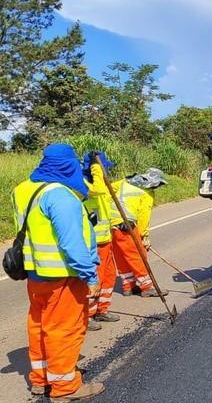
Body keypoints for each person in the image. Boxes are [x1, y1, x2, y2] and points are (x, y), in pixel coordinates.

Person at [12, 144, 105, 400]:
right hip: (64, 274)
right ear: (69, 165)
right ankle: (65, 387)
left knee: (40, 327)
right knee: (65, 329)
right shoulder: (61, 196)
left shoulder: (23, 190)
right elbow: (71, 242)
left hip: (35, 274)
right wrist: (90, 276)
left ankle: (41, 380)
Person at [110, 168, 167, 297]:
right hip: (127, 224)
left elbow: (108, 190)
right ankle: (146, 286)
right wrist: (144, 236)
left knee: (121, 256)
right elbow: (143, 216)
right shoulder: (147, 192)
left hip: (111, 223)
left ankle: (128, 286)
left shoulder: (125, 182)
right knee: (138, 255)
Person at [82, 151, 120, 331]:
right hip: (93, 243)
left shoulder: (103, 184)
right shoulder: (84, 184)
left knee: (109, 277)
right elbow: (96, 191)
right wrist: (97, 168)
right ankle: (87, 316)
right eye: (105, 169)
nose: (107, 173)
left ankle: (102, 310)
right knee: (94, 280)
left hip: (106, 239)